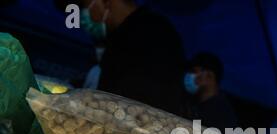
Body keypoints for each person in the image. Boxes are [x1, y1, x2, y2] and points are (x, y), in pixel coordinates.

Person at [56, 0, 186, 115]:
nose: (80, 18)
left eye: (82, 7)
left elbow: (138, 104)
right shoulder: (120, 37)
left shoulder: (152, 33)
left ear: (106, 1)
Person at [183, 53, 238, 134]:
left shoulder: (221, 113)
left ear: (209, 76)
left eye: (194, 71)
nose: (188, 76)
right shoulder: (196, 106)